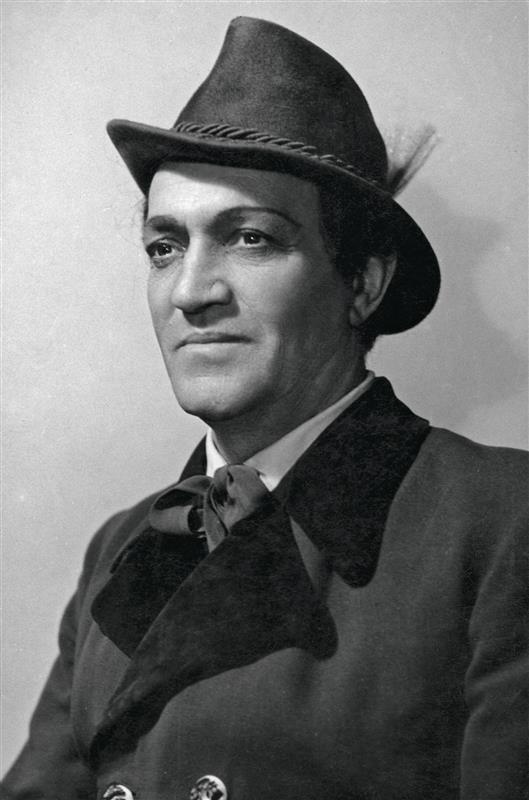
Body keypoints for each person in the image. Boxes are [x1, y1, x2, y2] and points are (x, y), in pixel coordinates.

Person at [2, 16, 526, 800]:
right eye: (164, 247)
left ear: (362, 283)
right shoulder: (124, 546)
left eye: (249, 238)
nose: (190, 292)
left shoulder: (501, 524)